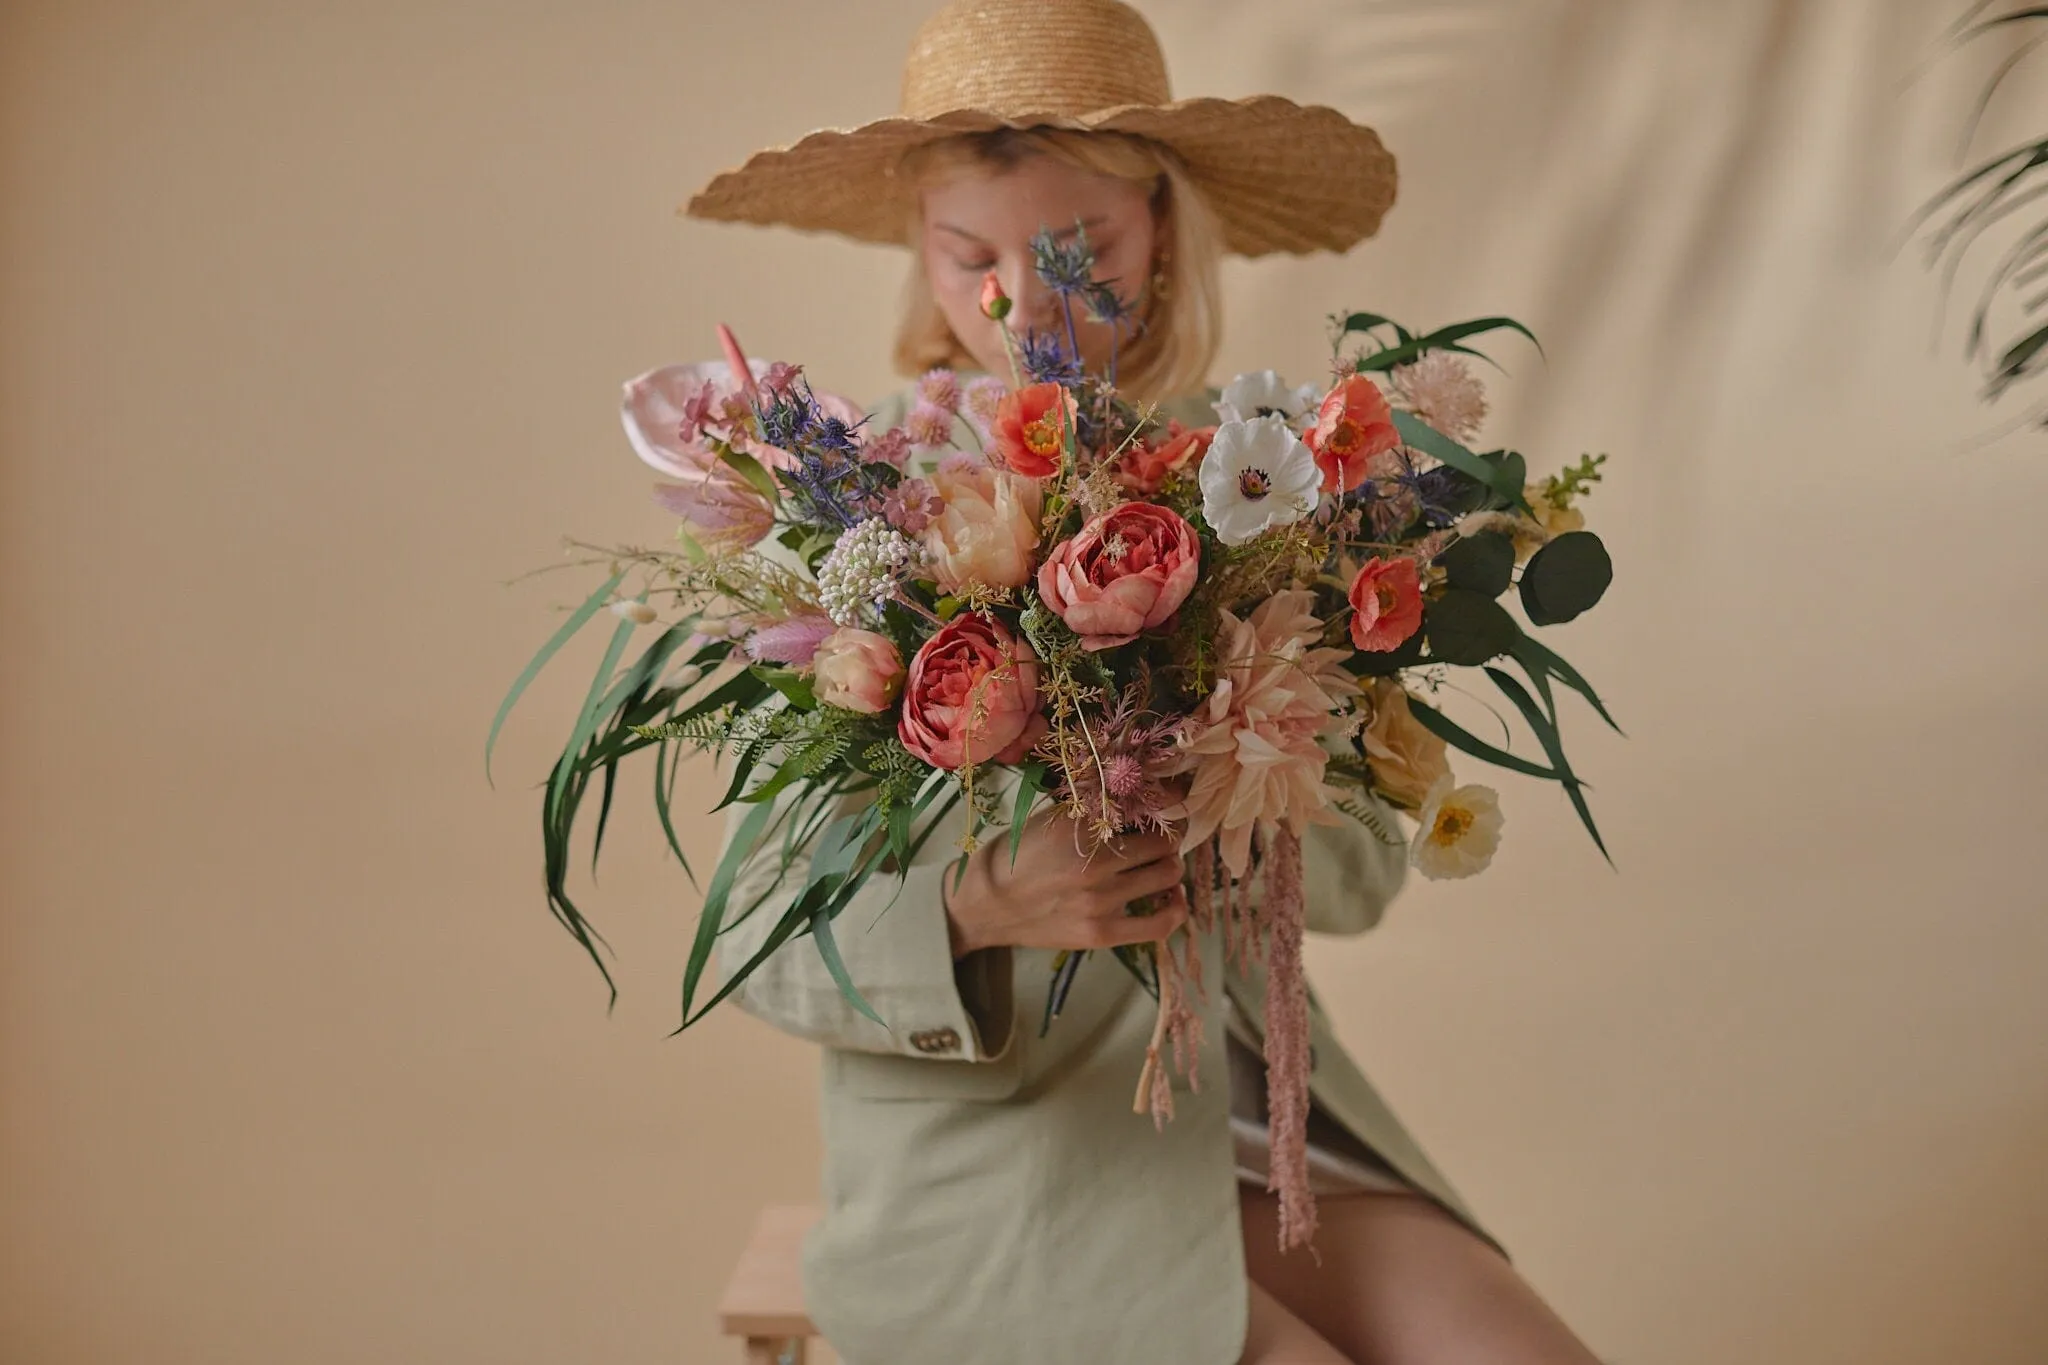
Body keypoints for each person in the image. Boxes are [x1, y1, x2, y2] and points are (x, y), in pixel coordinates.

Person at [689, 2, 1603, 1361]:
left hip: (1253, 1131)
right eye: (970, 256)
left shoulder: (1271, 479)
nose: (1024, 302)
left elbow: (1357, 885)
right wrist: (977, 903)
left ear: (1162, 233)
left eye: (1083, 250)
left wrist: (1244, 787)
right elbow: (762, 937)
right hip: (1013, 1180)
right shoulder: (855, 505)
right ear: (920, 253)